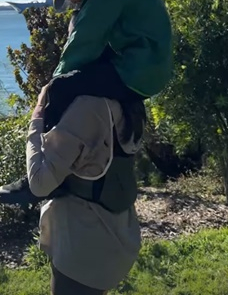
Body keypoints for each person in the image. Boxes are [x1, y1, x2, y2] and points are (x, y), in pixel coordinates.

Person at [0, 0, 173, 204]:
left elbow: (82, 45)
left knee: (61, 88)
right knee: (80, 78)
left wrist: (50, 88)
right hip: (144, 65)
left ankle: (45, 175)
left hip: (137, 70)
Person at [29, 85, 144, 295]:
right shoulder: (129, 99)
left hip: (82, 247)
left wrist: (38, 113)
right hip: (117, 235)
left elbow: (39, 182)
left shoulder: (90, 106)